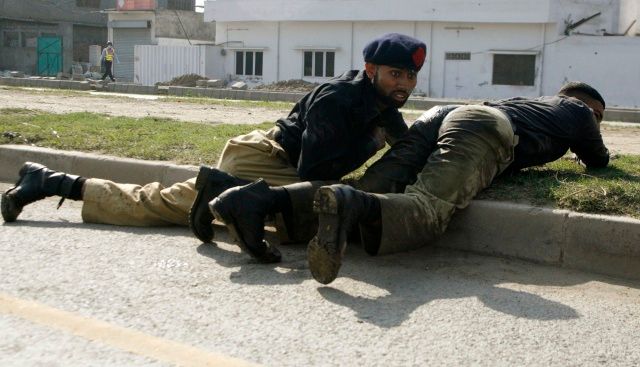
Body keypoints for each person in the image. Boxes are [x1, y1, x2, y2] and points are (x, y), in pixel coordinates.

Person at [1, 33, 427, 261]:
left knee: (160, 203)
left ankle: (52, 181)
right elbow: (311, 170)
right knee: (315, 208)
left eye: (409, 78)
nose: (403, 85)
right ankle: (222, 187)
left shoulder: (382, 104)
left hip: (260, 160)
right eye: (395, 75)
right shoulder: (340, 98)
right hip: (266, 157)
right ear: (371, 69)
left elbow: (405, 144)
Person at [207, 81, 609, 283]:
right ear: (587, 105)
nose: (598, 123)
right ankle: (353, 207)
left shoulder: (532, 105)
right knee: (428, 208)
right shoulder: (576, 110)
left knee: (370, 187)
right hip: (482, 126)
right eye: (600, 116)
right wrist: (588, 137)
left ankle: (257, 199)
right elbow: (599, 160)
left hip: (441, 114)